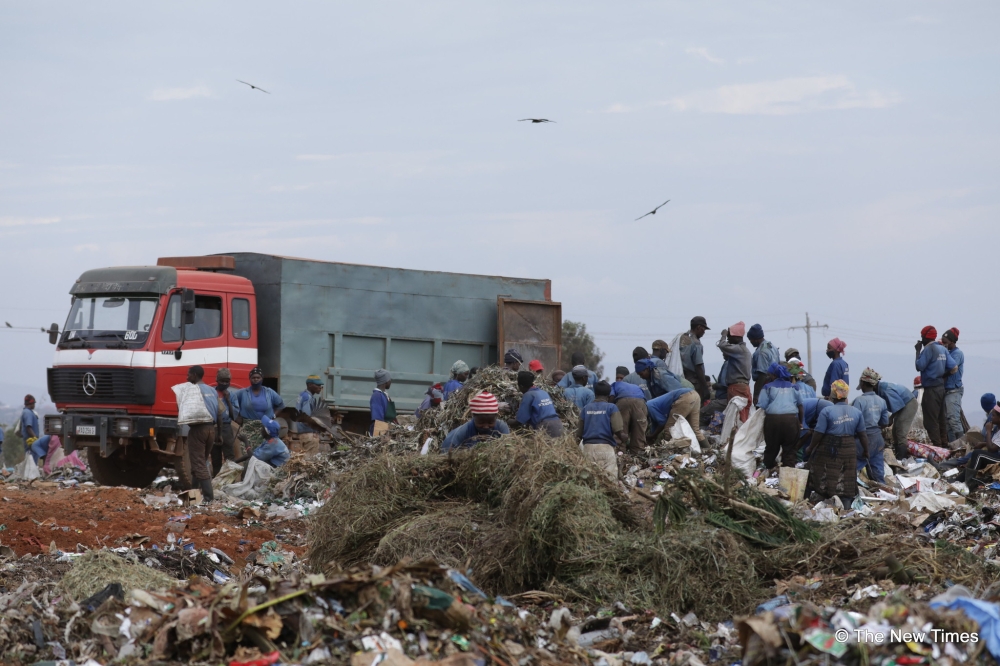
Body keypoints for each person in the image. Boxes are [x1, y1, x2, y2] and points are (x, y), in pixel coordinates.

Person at [806, 380, 869, 506]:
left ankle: (826, 498)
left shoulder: (827, 411)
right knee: (847, 475)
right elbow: (862, 434)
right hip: (849, 449)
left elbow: (819, 433)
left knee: (823, 472)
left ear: (832, 395)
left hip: (830, 448)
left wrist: (810, 448)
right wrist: (866, 451)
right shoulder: (856, 412)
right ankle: (845, 504)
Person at [179, 365, 219, 501]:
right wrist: (218, 434)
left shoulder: (192, 390)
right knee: (199, 462)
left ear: (195, 375)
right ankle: (192, 496)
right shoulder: (212, 390)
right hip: (211, 430)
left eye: (189, 375)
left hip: (198, 430)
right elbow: (220, 411)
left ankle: (208, 498)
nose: (187, 377)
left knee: (199, 464)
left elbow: (186, 411)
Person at [914, 325, 957, 447]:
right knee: (941, 419)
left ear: (925, 337)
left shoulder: (929, 349)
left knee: (930, 421)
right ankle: (944, 445)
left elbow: (919, 366)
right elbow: (954, 367)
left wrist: (917, 351)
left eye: (922, 337)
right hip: (941, 388)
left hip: (931, 389)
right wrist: (942, 375)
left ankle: (937, 447)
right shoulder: (942, 349)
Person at [576, 381, 625, 482]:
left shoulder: (586, 408)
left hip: (588, 448)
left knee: (590, 481)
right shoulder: (612, 408)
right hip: (605, 448)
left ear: (595, 393)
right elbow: (618, 430)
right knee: (610, 481)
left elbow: (578, 434)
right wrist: (625, 438)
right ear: (609, 394)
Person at [758, 362, 804, 470]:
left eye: (769, 375)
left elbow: (762, 406)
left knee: (771, 449)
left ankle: (767, 473)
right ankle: (788, 477)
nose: (768, 376)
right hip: (791, 421)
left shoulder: (767, 387)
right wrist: (800, 422)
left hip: (772, 420)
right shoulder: (794, 387)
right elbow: (800, 406)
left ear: (774, 375)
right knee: (790, 451)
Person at [852, 368, 891, 483]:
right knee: (878, 472)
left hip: (862, 440)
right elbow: (885, 423)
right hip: (878, 439)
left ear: (862, 383)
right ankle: (883, 495)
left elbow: (854, 422)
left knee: (853, 468)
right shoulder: (881, 401)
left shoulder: (859, 401)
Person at [233, 367, 285, 452]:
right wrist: (236, 417)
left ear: (262, 378)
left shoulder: (269, 392)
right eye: (253, 378)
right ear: (250, 379)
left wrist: (273, 415)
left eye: (258, 377)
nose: (256, 379)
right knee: (247, 450)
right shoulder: (243, 392)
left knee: (265, 450)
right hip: (248, 427)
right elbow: (231, 402)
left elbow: (281, 405)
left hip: (265, 429)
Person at [441, 392, 510, 452]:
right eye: (481, 422)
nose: (486, 427)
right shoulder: (461, 433)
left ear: (496, 417)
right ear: (474, 417)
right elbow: (447, 455)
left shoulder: (501, 428)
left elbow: (508, 448)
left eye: (490, 422)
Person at [876, 378, 919, 460]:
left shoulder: (885, 390)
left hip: (908, 403)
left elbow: (898, 405)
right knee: (895, 432)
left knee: (901, 432)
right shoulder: (879, 390)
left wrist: (891, 418)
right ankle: (898, 457)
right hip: (903, 405)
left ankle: (902, 459)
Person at [717, 322, 753, 422]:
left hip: (736, 388)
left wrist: (723, 335)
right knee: (743, 417)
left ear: (736, 337)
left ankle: (737, 437)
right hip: (744, 387)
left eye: (730, 337)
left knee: (736, 418)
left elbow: (722, 345)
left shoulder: (739, 350)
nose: (728, 339)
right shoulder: (745, 351)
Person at [511, 370, 563, 437]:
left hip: (545, 428)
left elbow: (520, 420)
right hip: (558, 425)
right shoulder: (543, 392)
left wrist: (507, 422)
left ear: (521, 386)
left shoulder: (528, 395)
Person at [610, 373, 648, 454]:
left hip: (623, 400)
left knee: (620, 428)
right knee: (639, 430)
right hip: (640, 402)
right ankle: (637, 453)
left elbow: (611, 398)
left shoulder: (613, 385)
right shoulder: (636, 387)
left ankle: (619, 453)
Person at [963, 405, 1000, 486]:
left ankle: (969, 481)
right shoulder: (997, 428)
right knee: (974, 457)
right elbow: (995, 444)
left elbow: (991, 449)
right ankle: (957, 479)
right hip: (996, 455)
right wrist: (982, 444)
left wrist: (989, 431)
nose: (991, 418)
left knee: (978, 454)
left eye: (993, 415)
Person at [941, 328, 966, 443]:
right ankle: (953, 445)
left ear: (952, 341)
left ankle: (961, 445)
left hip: (954, 390)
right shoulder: (948, 352)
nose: (944, 343)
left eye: (945, 341)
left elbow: (951, 368)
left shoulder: (957, 354)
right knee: (947, 422)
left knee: (954, 419)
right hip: (946, 391)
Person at [211, 368, 238, 472]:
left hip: (226, 428)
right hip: (214, 427)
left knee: (229, 457)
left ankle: (230, 482)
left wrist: (228, 400)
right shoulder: (212, 392)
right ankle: (216, 481)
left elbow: (233, 416)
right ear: (217, 380)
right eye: (222, 381)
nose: (224, 383)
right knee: (215, 457)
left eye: (227, 381)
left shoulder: (232, 395)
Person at [679, 316, 712, 402]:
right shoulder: (696, 343)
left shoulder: (682, 338)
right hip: (693, 382)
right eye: (703, 329)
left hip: (681, 379)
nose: (704, 332)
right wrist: (705, 388)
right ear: (698, 327)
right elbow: (698, 366)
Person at [748, 324, 781, 406]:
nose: (750, 342)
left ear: (755, 339)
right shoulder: (772, 346)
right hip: (775, 384)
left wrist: (756, 395)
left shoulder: (761, 352)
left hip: (765, 385)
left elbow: (762, 375)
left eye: (750, 340)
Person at [293, 375, 326, 456]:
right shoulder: (308, 398)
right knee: (310, 460)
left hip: (303, 433)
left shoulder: (302, 395)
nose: (320, 387)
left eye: (320, 385)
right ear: (310, 385)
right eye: (317, 385)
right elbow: (307, 418)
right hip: (310, 434)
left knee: (304, 459)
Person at [20, 395, 49, 465]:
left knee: (32, 458)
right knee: (31, 458)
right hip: (30, 440)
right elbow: (28, 427)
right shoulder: (27, 413)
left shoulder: (28, 412)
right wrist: (35, 438)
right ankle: (31, 475)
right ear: (31, 403)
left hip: (31, 440)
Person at [369, 368, 396, 435]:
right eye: (390, 379)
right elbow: (378, 420)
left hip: (386, 430)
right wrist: (381, 436)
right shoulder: (377, 396)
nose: (390, 381)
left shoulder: (384, 395)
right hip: (380, 432)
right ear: (386, 381)